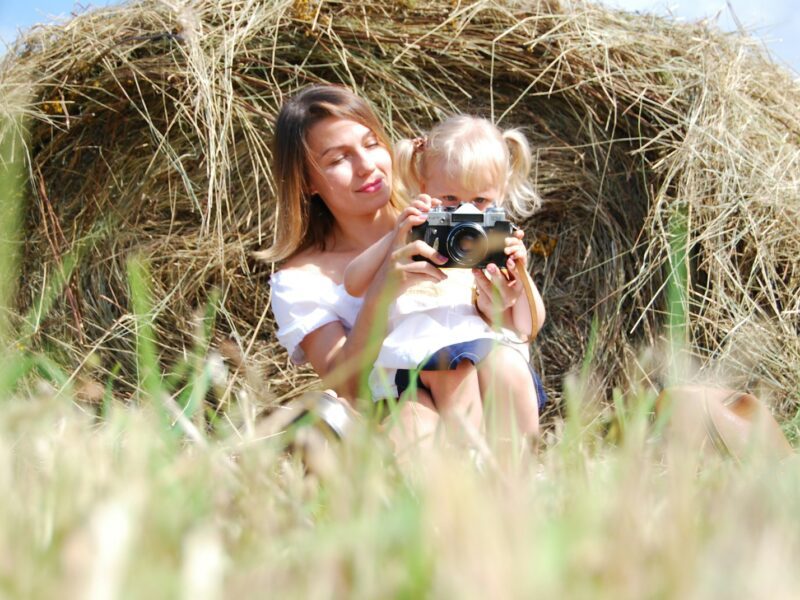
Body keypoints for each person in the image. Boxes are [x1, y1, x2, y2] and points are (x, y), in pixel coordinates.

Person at [263, 85, 542, 453]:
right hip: (396, 396)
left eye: (371, 143)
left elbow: (514, 327)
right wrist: (384, 286)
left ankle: (517, 484)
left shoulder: (449, 220)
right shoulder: (299, 282)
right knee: (413, 415)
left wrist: (503, 295)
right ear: (308, 182)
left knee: (501, 365)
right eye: (337, 160)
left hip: (490, 381)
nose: (366, 166)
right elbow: (349, 383)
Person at [343, 115, 547, 440]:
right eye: (450, 199)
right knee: (453, 370)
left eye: (479, 201)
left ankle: (521, 472)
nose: (465, 212)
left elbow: (526, 326)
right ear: (424, 187)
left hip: (482, 350)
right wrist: (396, 237)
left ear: (499, 195)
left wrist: (518, 276)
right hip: (417, 357)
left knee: (510, 366)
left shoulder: (494, 240)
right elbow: (353, 282)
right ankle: (474, 469)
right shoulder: (410, 232)